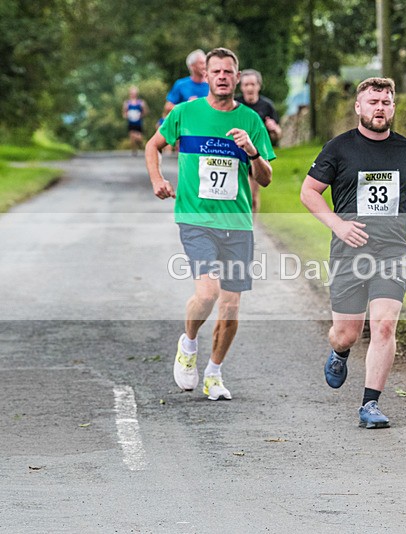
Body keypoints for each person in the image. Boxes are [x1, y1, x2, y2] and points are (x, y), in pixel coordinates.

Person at [300, 77, 406, 429]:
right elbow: (309, 192)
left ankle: (370, 403)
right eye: (373, 102)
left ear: (393, 107)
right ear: (358, 107)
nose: (380, 108)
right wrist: (337, 225)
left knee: (385, 325)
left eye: (386, 102)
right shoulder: (338, 148)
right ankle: (339, 351)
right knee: (347, 333)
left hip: (391, 251)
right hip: (348, 252)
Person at [145, 47, 275, 400]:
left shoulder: (251, 120)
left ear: (236, 77)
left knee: (231, 306)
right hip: (195, 218)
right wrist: (157, 179)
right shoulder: (185, 113)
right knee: (208, 292)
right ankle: (188, 344)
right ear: (207, 76)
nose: (221, 77)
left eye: (227, 72)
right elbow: (152, 146)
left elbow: (265, 178)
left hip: (237, 223)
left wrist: (251, 151)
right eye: (215, 71)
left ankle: (214, 373)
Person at [235, 69, 282, 215]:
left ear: (258, 86)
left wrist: (274, 129)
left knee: (252, 197)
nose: (249, 88)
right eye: (246, 84)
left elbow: (278, 136)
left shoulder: (267, 106)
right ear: (241, 87)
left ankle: (252, 230)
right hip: (237, 153)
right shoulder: (235, 104)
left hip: (257, 154)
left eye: (252, 84)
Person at [159, 49, 209, 153]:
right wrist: (187, 105)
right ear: (192, 66)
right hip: (187, 126)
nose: (204, 66)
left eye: (205, 62)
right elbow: (168, 107)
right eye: (201, 63)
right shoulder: (181, 84)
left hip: (207, 126)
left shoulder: (212, 84)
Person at [122, 86, 149, 156]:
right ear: (130, 94)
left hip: (138, 122)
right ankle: (134, 151)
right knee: (132, 136)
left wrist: (140, 115)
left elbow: (146, 111)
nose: (133, 94)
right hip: (131, 122)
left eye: (134, 93)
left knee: (139, 137)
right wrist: (127, 115)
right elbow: (124, 113)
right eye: (132, 93)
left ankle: (143, 145)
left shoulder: (141, 102)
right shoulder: (127, 103)